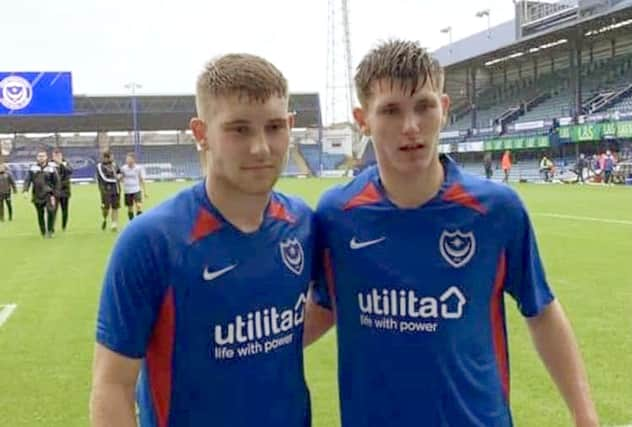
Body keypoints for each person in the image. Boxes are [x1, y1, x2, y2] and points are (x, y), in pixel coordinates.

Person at [305, 39, 598, 427]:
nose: (411, 127)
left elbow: (541, 310)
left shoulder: (497, 210)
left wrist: (585, 416)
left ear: (443, 109)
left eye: (424, 106)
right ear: (363, 120)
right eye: (390, 111)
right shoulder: (335, 215)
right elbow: (325, 305)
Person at [90, 53, 313, 427]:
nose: (261, 147)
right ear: (200, 132)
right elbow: (111, 387)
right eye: (239, 129)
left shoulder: (303, 224)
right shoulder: (151, 242)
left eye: (274, 127)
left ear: (290, 125)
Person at [23, 150, 60, 237]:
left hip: (49, 194)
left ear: (46, 157)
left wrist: (56, 193)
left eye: (43, 156)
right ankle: (43, 231)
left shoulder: (51, 168)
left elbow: (57, 181)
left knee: (51, 211)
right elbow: (27, 180)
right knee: (40, 214)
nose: (41, 158)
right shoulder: (32, 168)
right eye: (39, 156)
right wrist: (25, 190)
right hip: (37, 194)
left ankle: (50, 230)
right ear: (37, 157)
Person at [96, 151, 121, 231]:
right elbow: (104, 178)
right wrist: (116, 179)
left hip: (116, 189)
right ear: (106, 158)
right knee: (106, 208)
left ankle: (114, 224)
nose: (112, 159)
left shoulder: (115, 164)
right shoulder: (100, 166)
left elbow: (119, 172)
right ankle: (105, 218)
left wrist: (120, 175)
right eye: (111, 157)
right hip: (105, 190)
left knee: (115, 207)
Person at [120, 152, 148, 220]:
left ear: (133, 160)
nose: (128, 161)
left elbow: (142, 180)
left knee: (138, 205)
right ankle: (131, 222)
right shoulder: (123, 168)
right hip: (127, 190)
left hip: (136, 189)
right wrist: (121, 180)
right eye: (127, 159)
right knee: (130, 208)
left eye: (129, 159)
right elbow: (120, 178)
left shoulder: (138, 168)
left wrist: (145, 192)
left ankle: (139, 221)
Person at [52, 148, 73, 231]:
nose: (57, 157)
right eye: (55, 155)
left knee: (65, 210)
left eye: (58, 155)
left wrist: (61, 164)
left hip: (65, 190)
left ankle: (64, 226)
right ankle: (52, 226)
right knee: (53, 209)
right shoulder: (50, 164)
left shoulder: (65, 163)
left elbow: (70, 171)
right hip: (54, 191)